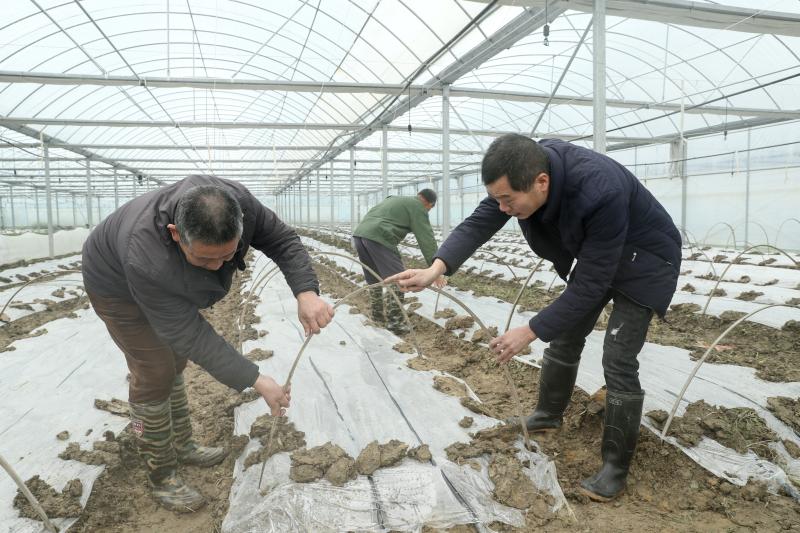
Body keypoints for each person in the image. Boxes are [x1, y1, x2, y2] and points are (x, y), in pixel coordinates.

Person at [389, 134, 681, 501]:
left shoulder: (599, 189)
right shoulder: (524, 168)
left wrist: (530, 330)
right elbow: (479, 223)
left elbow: (590, 285)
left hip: (646, 260)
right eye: (498, 198)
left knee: (618, 355)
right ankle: (547, 412)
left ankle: (614, 469)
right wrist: (436, 268)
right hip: (601, 251)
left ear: (542, 183)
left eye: (508, 200)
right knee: (566, 334)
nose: (503, 207)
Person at [81, 175, 334, 512]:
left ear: (241, 226)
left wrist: (306, 291)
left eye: (227, 256)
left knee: (176, 361)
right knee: (154, 367)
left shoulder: (238, 204)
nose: (217, 266)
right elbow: (189, 333)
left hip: (157, 276)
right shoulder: (146, 255)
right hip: (114, 286)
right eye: (204, 261)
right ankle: (161, 472)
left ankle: (183, 444)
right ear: (175, 234)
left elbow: (283, 240)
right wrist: (256, 379)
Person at [352, 189, 445, 334]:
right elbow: (427, 239)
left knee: (374, 278)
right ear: (429, 204)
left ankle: (376, 317)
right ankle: (395, 324)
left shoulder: (393, 199)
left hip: (360, 234)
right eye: (430, 209)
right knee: (398, 279)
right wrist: (436, 270)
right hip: (380, 236)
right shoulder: (418, 206)